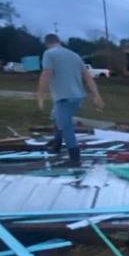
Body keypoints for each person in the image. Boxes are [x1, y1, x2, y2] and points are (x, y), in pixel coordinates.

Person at [36, 33, 104, 166]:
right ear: (58, 41)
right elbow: (88, 77)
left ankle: (74, 158)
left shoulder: (49, 54)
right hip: (77, 96)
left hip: (65, 97)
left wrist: (40, 95)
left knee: (66, 126)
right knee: (56, 116)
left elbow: (46, 74)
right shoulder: (74, 55)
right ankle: (56, 145)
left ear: (47, 43)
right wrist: (97, 95)